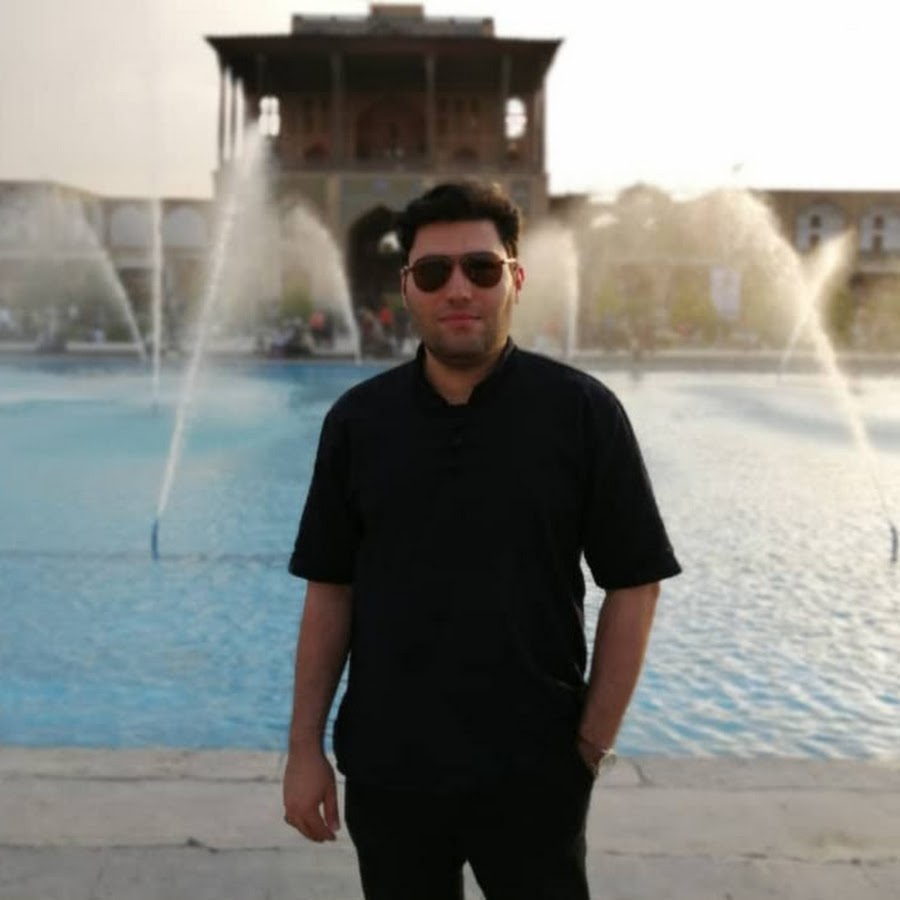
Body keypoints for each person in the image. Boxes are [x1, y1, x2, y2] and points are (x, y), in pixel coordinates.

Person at [283, 180, 681, 900]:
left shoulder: (582, 414)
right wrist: (303, 748)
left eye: (482, 268)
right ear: (407, 286)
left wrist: (589, 746)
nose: (459, 289)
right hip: (391, 771)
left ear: (516, 279)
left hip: (535, 774)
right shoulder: (359, 423)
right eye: (434, 272)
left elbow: (635, 581)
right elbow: (330, 588)